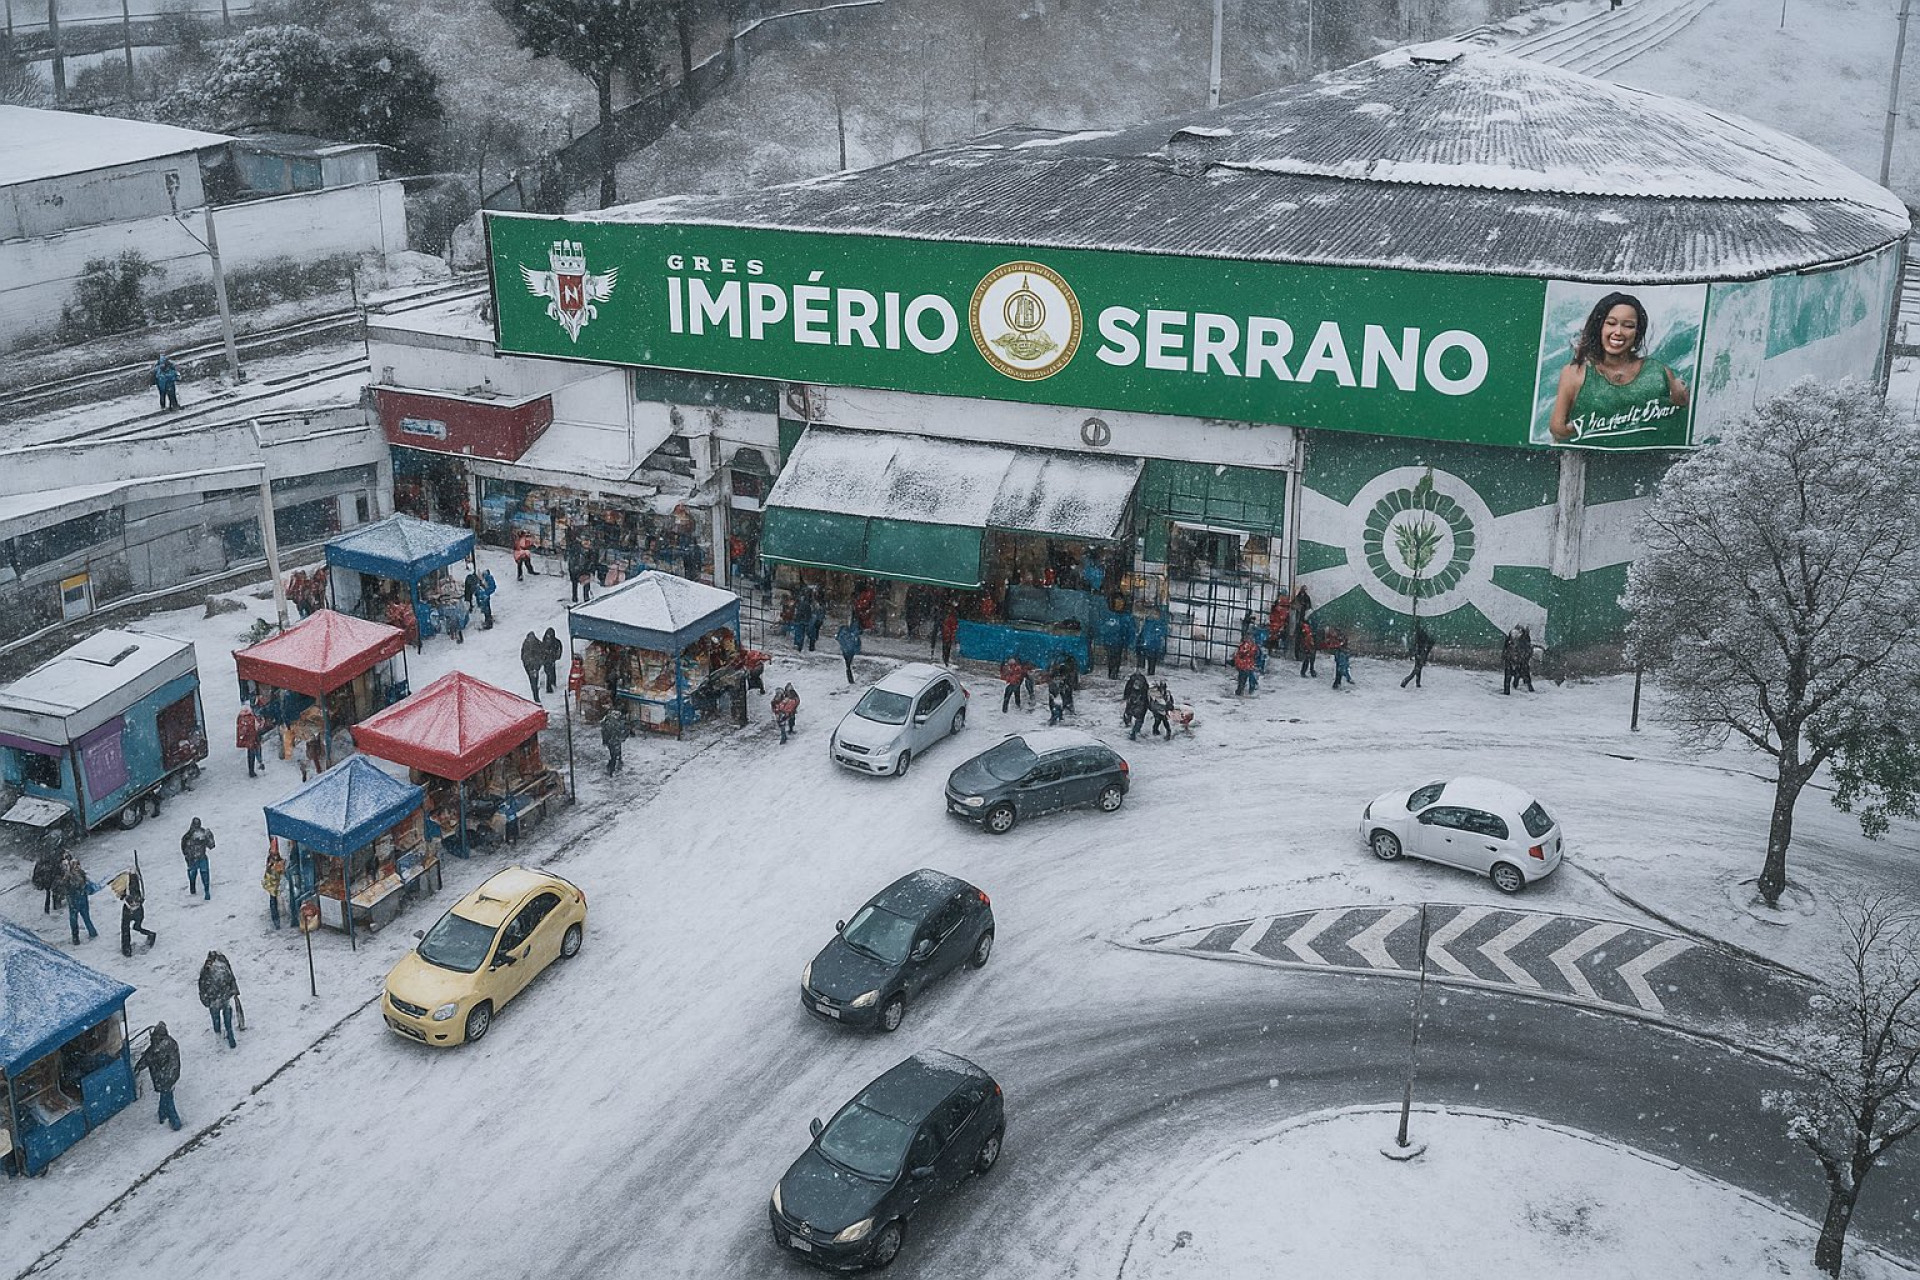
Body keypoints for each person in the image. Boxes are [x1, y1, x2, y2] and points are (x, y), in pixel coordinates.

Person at [1548, 291, 1691, 445]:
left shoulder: (1659, 373)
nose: (1618, 332)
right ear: (1599, 326)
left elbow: (1683, 421)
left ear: (1637, 332)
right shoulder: (1575, 373)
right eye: (1611, 323)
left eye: (1628, 326)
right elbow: (1558, 430)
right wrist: (1595, 428)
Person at [134, 1022, 183, 1131]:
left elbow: (147, 1059)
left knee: (168, 1100)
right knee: (166, 1095)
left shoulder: (157, 1048)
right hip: (172, 1075)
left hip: (163, 1077)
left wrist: (137, 1068)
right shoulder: (171, 1042)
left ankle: (175, 1123)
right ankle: (162, 1115)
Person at [198, 951, 239, 1049]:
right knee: (227, 1018)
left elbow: (202, 986)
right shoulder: (223, 967)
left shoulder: (205, 970)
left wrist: (205, 1000)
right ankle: (231, 1037)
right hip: (225, 997)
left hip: (214, 1000)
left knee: (216, 1018)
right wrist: (233, 991)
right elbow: (231, 979)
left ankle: (218, 1033)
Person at [64, 854, 98, 945]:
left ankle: (91, 933)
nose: (77, 867)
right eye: (75, 866)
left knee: (85, 918)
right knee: (75, 919)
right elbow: (67, 889)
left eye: (78, 865)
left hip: (81, 899)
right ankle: (76, 938)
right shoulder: (69, 877)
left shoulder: (80, 875)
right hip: (75, 900)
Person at [120, 868, 156, 954]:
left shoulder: (130, 886)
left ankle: (126, 948)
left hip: (130, 910)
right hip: (137, 911)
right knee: (135, 927)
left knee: (126, 928)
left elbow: (127, 897)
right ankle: (150, 935)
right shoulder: (136, 885)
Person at [181, 818, 214, 900]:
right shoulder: (187, 836)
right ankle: (192, 887)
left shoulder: (203, 833)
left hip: (202, 857)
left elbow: (211, 846)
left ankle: (207, 891)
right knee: (192, 874)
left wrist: (209, 837)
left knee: (205, 873)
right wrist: (188, 857)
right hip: (192, 859)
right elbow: (184, 848)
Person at [1099, 606, 1135, 680]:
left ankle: (1114, 672)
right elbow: (1102, 628)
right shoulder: (1109, 614)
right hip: (1111, 641)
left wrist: (1128, 642)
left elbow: (1130, 630)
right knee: (1112, 657)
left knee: (1116, 657)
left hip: (1119, 641)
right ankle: (1112, 672)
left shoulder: (1125, 616)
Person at [1503, 625, 1536, 694]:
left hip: (1518, 658)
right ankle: (1508, 689)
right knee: (1513, 673)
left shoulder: (1524, 638)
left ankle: (1514, 686)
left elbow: (1527, 649)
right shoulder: (1513, 638)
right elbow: (1506, 648)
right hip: (1513, 658)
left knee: (1518, 672)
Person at [34, 842, 66, 915]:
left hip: (47, 879)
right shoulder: (54, 859)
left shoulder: (42, 861)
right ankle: (56, 907)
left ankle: (48, 909)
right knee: (55, 893)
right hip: (51, 878)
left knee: (49, 894)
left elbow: (37, 871)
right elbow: (58, 868)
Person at [1402, 624, 1435, 689]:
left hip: (1420, 653)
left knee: (1418, 668)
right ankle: (1406, 681)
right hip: (1421, 653)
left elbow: (1417, 645)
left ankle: (1417, 683)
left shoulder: (1419, 636)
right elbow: (1425, 645)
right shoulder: (1423, 637)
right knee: (1417, 669)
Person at [236, 702, 264, 778]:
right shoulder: (252, 717)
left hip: (248, 739)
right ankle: (258, 767)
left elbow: (240, 730)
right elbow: (257, 726)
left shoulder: (240, 717)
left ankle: (251, 770)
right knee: (256, 752)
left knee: (250, 754)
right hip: (254, 738)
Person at [1136, 610, 1168, 676]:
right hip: (1146, 644)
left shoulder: (1158, 623)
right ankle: (1143, 672)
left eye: (1155, 614)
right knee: (1143, 659)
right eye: (1152, 613)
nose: (1153, 615)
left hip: (1153, 645)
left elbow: (1162, 633)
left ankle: (1149, 673)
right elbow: (1143, 632)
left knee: (1151, 660)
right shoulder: (1147, 622)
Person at [262, 846, 286, 930]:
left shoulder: (276, 860)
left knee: (275, 901)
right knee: (273, 901)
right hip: (273, 884)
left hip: (276, 884)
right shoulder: (272, 862)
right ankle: (276, 921)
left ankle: (277, 920)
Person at [1123, 669, 1150, 740]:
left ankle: (1134, 731)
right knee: (1137, 718)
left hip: (1140, 706)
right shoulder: (1137, 685)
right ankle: (1132, 728)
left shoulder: (1142, 690)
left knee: (1138, 719)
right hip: (1137, 706)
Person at [601, 705, 628, 774]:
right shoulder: (619, 720)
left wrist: (605, 740)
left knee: (613, 754)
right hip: (615, 740)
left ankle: (613, 765)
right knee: (614, 754)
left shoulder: (608, 718)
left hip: (612, 740)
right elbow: (624, 730)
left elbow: (603, 729)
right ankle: (612, 768)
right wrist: (622, 738)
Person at [836, 618, 862, 684]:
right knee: (848, 664)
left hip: (848, 649)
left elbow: (838, 638)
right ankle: (850, 678)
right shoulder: (848, 631)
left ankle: (850, 677)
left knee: (848, 664)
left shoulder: (846, 630)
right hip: (848, 649)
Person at [521, 631, 545, 703]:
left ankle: (536, 695)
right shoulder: (531, 644)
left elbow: (542, 654)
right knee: (534, 681)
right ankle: (536, 695)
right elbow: (523, 656)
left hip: (533, 667)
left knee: (533, 682)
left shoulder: (528, 644)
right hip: (531, 667)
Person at [1292, 588, 1314, 659]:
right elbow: (1293, 605)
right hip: (1299, 621)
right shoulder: (1298, 597)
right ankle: (1298, 654)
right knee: (1299, 638)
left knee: (1303, 638)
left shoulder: (1306, 598)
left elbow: (1309, 607)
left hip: (1303, 621)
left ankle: (1302, 653)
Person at [791, 588, 815, 652]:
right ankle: (801, 645)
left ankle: (799, 645)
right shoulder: (809, 602)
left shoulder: (803, 602)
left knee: (801, 632)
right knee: (805, 632)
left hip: (803, 619)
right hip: (804, 619)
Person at [541, 628, 564, 693]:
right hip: (547, 660)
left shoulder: (554, 642)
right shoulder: (546, 642)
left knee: (550, 673)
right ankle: (550, 686)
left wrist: (556, 657)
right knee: (549, 673)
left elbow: (559, 649)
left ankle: (551, 686)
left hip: (551, 660)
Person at [805, 586, 826, 651]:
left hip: (815, 616)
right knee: (812, 630)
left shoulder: (820, 601)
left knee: (813, 629)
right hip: (814, 615)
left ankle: (812, 643)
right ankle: (812, 641)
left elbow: (822, 610)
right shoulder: (812, 599)